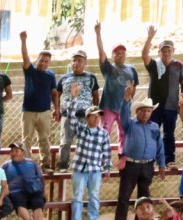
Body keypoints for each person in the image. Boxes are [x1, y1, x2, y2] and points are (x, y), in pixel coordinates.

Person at [114, 85, 166, 220]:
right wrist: (126, 101)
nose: (145, 113)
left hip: (148, 165)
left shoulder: (154, 127)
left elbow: (160, 146)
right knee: (124, 194)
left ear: (151, 112)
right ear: (137, 112)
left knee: (144, 196)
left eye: (148, 111)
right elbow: (123, 116)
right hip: (131, 164)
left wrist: (161, 165)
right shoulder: (129, 124)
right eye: (142, 110)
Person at [94, 21, 139, 155]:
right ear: (112, 56)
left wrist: (129, 98)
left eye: (122, 52)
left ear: (126, 54)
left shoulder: (132, 69)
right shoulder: (109, 68)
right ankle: (102, 157)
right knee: (104, 132)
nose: (119, 54)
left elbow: (134, 85)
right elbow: (101, 52)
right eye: (116, 53)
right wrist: (98, 34)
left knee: (124, 133)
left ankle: (123, 157)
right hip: (108, 106)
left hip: (124, 107)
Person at [141, 27, 183, 168]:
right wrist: (149, 38)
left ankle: (169, 161)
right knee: (152, 133)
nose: (166, 53)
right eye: (163, 51)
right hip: (154, 107)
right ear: (159, 52)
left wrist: (181, 103)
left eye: (168, 50)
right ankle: (150, 160)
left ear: (173, 51)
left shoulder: (179, 66)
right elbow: (144, 55)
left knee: (169, 135)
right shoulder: (154, 65)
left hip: (171, 107)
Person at [55, 49, 101, 170]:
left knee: (85, 141)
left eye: (79, 60)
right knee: (65, 142)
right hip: (68, 115)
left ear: (85, 62)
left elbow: (95, 95)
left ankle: (83, 164)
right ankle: (63, 165)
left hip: (85, 116)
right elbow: (56, 94)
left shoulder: (91, 77)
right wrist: (57, 109)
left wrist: (95, 112)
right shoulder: (64, 78)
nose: (76, 63)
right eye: (74, 60)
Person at [70, 106, 112, 220]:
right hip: (80, 168)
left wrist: (107, 168)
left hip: (95, 169)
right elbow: (72, 119)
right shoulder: (81, 129)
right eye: (93, 116)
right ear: (87, 117)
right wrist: (73, 99)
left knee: (94, 196)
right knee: (77, 195)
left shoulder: (103, 133)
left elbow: (106, 151)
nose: (96, 118)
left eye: (98, 116)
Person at [19, 32, 57, 171]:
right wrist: (23, 41)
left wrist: (56, 109)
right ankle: (27, 165)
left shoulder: (51, 75)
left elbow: (54, 93)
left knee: (44, 139)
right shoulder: (30, 71)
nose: (43, 63)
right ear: (37, 60)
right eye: (41, 60)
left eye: (46, 61)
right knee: (26, 140)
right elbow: (25, 57)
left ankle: (45, 165)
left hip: (45, 112)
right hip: (28, 111)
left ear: (49, 63)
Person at [1, 142, 47, 220]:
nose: (14, 153)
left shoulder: (31, 163)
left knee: (38, 203)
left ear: (23, 153)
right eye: (12, 151)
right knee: (19, 203)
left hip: (33, 189)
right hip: (16, 191)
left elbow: (41, 177)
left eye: (17, 151)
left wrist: (44, 191)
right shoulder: (6, 165)